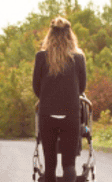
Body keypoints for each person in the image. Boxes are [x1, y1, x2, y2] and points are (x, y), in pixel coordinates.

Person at [33, 17, 87, 182]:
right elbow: (82, 88)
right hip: (70, 115)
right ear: (70, 35)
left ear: (50, 34)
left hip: (47, 114)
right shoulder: (78, 57)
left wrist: (47, 97)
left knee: (50, 164)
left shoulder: (41, 57)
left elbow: (36, 86)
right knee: (69, 164)